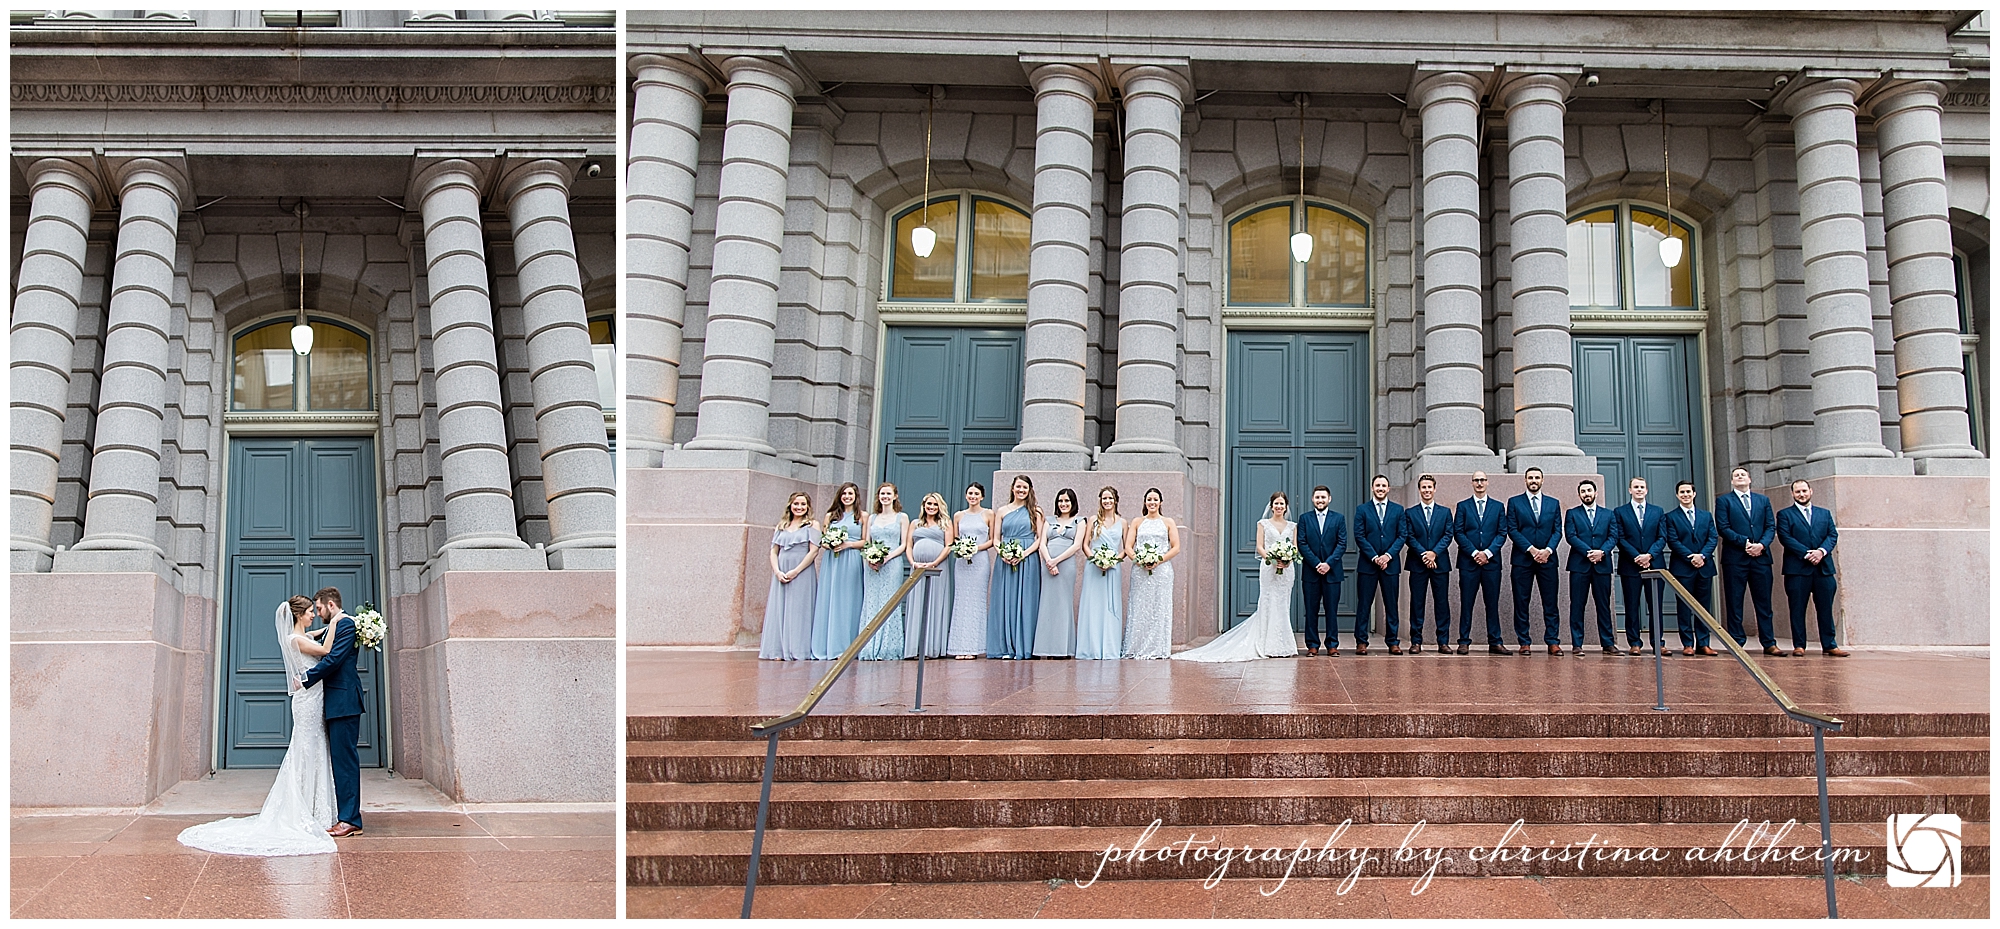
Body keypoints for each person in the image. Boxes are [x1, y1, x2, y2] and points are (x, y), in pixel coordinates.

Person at [178, 595, 338, 855]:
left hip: (314, 699)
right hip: (307, 702)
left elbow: (318, 633)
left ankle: (314, 807)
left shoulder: (304, 636)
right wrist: (339, 621)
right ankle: (302, 808)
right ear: (298, 615)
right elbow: (326, 651)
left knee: (315, 746)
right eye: (310, 611)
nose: (314, 615)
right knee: (306, 748)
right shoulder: (296, 640)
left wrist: (329, 626)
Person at [1175, 491, 1298, 662]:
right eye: (1276, 503)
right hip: (1269, 568)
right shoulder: (1263, 524)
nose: (1279, 506)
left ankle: (1283, 644)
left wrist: (1287, 560)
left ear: (1286, 507)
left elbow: (1295, 548)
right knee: (1268, 602)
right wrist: (1272, 558)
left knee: (1283, 603)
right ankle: (1266, 644)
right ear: (1271, 506)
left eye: (1282, 504)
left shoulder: (1292, 526)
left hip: (1287, 570)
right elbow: (1260, 547)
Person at [302, 586, 363, 837]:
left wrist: (305, 678)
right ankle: (345, 815)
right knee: (339, 760)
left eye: (318, 608)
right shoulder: (335, 624)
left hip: (345, 701)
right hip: (336, 702)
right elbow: (324, 636)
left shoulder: (346, 624)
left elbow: (334, 659)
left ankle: (350, 820)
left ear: (330, 605)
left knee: (345, 761)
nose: (317, 613)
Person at [1776, 478, 1851, 657]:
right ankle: (1799, 645)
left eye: (1804, 491)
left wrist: (1821, 552)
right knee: (1797, 608)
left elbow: (1832, 535)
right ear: (1792, 494)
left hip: (1823, 569)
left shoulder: (1824, 514)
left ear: (1811, 491)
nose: (1801, 494)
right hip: (1797, 570)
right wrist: (1807, 553)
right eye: (1797, 492)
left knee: (1825, 609)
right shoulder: (1785, 514)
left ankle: (1829, 644)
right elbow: (1785, 537)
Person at [1715, 466, 1780, 654]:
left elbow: (1770, 526)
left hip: (1761, 558)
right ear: (1732, 481)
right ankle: (1737, 642)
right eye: (1736, 476)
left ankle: (1769, 642)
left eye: (1743, 475)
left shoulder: (1763, 500)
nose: (1740, 477)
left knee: (1764, 602)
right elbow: (1723, 527)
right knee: (1735, 602)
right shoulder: (1724, 501)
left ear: (1749, 479)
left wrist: (1761, 545)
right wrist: (1745, 543)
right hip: (1735, 559)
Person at [1505, 467, 1563, 655]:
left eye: (1537, 477)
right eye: (1530, 477)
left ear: (1542, 480)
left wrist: (1547, 550)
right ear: (1525, 480)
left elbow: (1557, 531)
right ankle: (1524, 642)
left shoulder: (1553, 504)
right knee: (1521, 601)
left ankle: (1553, 641)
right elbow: (1512, 530)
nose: (1534, 480)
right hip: (1523, 560)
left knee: (1550, 602)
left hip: (1548, 560)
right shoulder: (1514, 502)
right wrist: (1531, 550)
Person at [987, 475, 1046, 659]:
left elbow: (1039, 539)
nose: (1021, 490)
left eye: (1024, 488)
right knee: (1006, 600)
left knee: (1026, 601)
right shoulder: (1002, 511)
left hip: (1028, 560)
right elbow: (996, 538)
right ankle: (1006, 647)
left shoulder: (1035, 511)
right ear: (1012, 488)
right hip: (1005, 560)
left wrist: (1023, 554)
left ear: (1030, 490)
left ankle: (1025, 647)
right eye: (1018, 487)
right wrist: (1002, 552)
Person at [759, 491, 821, 660]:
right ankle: (777, 650)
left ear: (808, 507)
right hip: (782, 570)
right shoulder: (781, 526)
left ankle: (797, 650)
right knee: (780, 607)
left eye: (802, 504)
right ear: (790, 505)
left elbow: (814, 551)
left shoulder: (813, 525)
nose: (799, 507)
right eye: (796, 504)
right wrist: (777, 571)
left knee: (799, 609)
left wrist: (797, 570)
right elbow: (773, 551)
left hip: (802, 571)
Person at [1122, 488, 1180, 659]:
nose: (1152, 503)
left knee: (1159, 607)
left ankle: (1158, 647)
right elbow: (1128, 546)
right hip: (1140, 572)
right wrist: (1139, 559)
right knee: (1140, 607)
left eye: (1155, 499)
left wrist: (1158, 560)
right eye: (1149, 499)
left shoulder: (1168, 522)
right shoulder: (1137, 522)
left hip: (1162, 572)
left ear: (1161, 502)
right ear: (1145, 502)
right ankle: (1136, 646)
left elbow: (1176, 547)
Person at [810, 482, 867, 659]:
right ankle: (828, 645)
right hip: (832, 562)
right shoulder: (830, 516)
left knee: (849, 600)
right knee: (831, 598)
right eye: (844, 494)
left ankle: (848, 645)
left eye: (850, 494)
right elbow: (823, 539)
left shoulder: (862, 516)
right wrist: (830, 544)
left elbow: (865, 541)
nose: (847, 497)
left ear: (856, 496)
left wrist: (847, 544)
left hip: (851, 559)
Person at [1454, 471, 1508, 654]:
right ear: (1471, 483)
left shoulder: (1498, 507)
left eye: (1482, 480)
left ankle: (1495, 641)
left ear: (1487, 482)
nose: (1479, 483)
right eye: (1476, 480)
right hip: (1469, 563)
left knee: (1492, 603)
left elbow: (1502, 533)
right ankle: (1463, 641)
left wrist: (1488, 553)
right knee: (1466, 603)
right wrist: (1475, 553)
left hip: (1491, 564)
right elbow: (1458, 533)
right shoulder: (1462, 506)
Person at [1611, 476, 1665, 656]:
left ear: (1647, 490)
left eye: (1642, 487)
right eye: (1636, 487)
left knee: (1655, 606)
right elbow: (1620, 537)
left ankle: (1658, 643)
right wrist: (1637, 556)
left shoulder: (1658, 511)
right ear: (1630, 490)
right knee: (1631, 605)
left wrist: (1649, 555)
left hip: (1654, 565)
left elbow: (1662, 537)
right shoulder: (1620, 512)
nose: (1639, 490)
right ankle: (1634, 642)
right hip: (1630, 565)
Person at [1663, 479, 1718, 656]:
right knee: (1684, 606)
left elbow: (1712, 538)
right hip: (1683, 567)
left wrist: (1702, 556)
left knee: (1703, 606)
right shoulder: (1670, 517)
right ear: (1677, 495)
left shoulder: (1706, 516)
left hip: (1704, 566)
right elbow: (1673, 541)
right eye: (1682, 492)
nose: (1686, 495)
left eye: (1688, 492)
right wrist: (1690, 557)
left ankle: (1703, 642)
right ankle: (1687, 643)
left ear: (1694, 494)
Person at [856, 483, 910, 660]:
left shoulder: (902, 517)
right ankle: (868, 646)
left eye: (888, 493)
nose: (885, 497)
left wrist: (887, 557)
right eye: (882, 494)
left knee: (890, 602)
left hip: (892, 563)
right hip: (872, 566)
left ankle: (888, 646)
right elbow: (867, 541)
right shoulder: (872, 518)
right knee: (872, 601)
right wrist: (870, 559)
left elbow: (903, 544)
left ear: (895, 496)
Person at [1401, 474, 1453, 655]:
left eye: (1429, 487)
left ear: (1435, 489)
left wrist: (1434, 553)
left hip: (1440, 563)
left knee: (1441, 603)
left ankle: (1443, 641)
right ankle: (1416, 641)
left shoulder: (1445, 512)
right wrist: (1424, 554)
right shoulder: (1410, 513)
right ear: (1419, 489)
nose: (1427, 490)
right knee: (1417, 603)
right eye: (1423, 487)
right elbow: (1409, 536)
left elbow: (1448, 535)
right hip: (1418, 563)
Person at [1563, 479, 1618, 655]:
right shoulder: (1572, 514)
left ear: (1596, 493)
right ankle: (1577, 644)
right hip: (1580, 566)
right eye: (1583, 491)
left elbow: (1613, 536)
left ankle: (1608, 643)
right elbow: (1571, 536)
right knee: (1577, 605)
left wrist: (1601, 552)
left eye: (1589, 490)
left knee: (1603, 605)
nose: (1587, 494)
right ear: (1579, 495)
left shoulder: (1609, 514)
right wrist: (1589, 552)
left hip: (1602, 565)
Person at [1352, 475, 1404, 654]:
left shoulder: (1398, 510)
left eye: (1384, 485)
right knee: (1364, 604)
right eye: (1377, 485)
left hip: (1390, 565)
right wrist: (1375, 557)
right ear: (1372, 488)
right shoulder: (1362, 510)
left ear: (1388, 488)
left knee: (1391, 605)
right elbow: (1359, 536)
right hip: (1368, 565)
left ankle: (1393, 642)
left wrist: (1388, 556)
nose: (1380, 488)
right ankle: (1361, 641)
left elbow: (1401, 535)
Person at [1031, 488, 1084, 658]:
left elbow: (1077, 545)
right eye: (1061, 501)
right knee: (1047, 604)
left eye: (1067, 501)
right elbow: (1042, 543)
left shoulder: (1080, 521)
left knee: (1063, 604)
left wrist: (1056, 561)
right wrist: (1048, 561)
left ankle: (1063, 649)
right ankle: (1044, 648)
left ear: (1073, 503)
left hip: (1066, 565)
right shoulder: (1049, 520)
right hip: (1047, 565)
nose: (1064, 504)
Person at [1075, 487, 1126, 659]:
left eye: (1110, 498)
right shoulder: (1093, 520)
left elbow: (1126, 549)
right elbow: (1085, 545)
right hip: (1093, 567)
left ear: (1116, 500)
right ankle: (1091, 648)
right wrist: (1095, 560)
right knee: (1093, 605)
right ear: (1100, 500)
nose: (1107, 501)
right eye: (1104, 498)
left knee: (1110, 606)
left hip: (1113, 568)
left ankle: (1109, 648)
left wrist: (1113, 561)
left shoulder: (1123, 522)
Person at [903, 492, 955, 659]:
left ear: (939, 507)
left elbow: (948, 546)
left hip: (938, 568)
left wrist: (934, 562)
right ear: (923, 506)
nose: (931, 507)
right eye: (929, 504)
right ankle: (914, 648)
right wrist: (913, 562)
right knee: (917, 603)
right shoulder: (915, 523)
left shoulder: (946, 524)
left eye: (934, 504)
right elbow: (909, 546)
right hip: (917, 568)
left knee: (934, 602)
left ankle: (931, 648)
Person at [1297, 484, 1347, 656]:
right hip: (1311, 572)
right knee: (1311, 610)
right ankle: (1312, 645)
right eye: (1317, 497)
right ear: (1313, 499)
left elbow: (1342, 544)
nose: (1320, 500)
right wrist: (1317, 563)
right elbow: (1302, 543)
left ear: (1329, 499)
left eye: (1323, 497)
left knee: (1331, 610)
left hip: (1332, 573)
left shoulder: (1339, 519)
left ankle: (1332, 644)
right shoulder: (1304, 518)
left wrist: (1328, 564)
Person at [945, 482, 993, 658]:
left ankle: (974, 647)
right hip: (962, 563)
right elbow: (955, 539)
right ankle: (959, 647)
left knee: (977, 601)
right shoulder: (958, 516)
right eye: (970, 493)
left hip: (980, 561)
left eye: (976, 493)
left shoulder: (988, 514)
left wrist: (976, 549)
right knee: (962, 601)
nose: (973, 496)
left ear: (982, 496)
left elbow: (992, 540)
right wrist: (961, 549)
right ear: (966, 496)